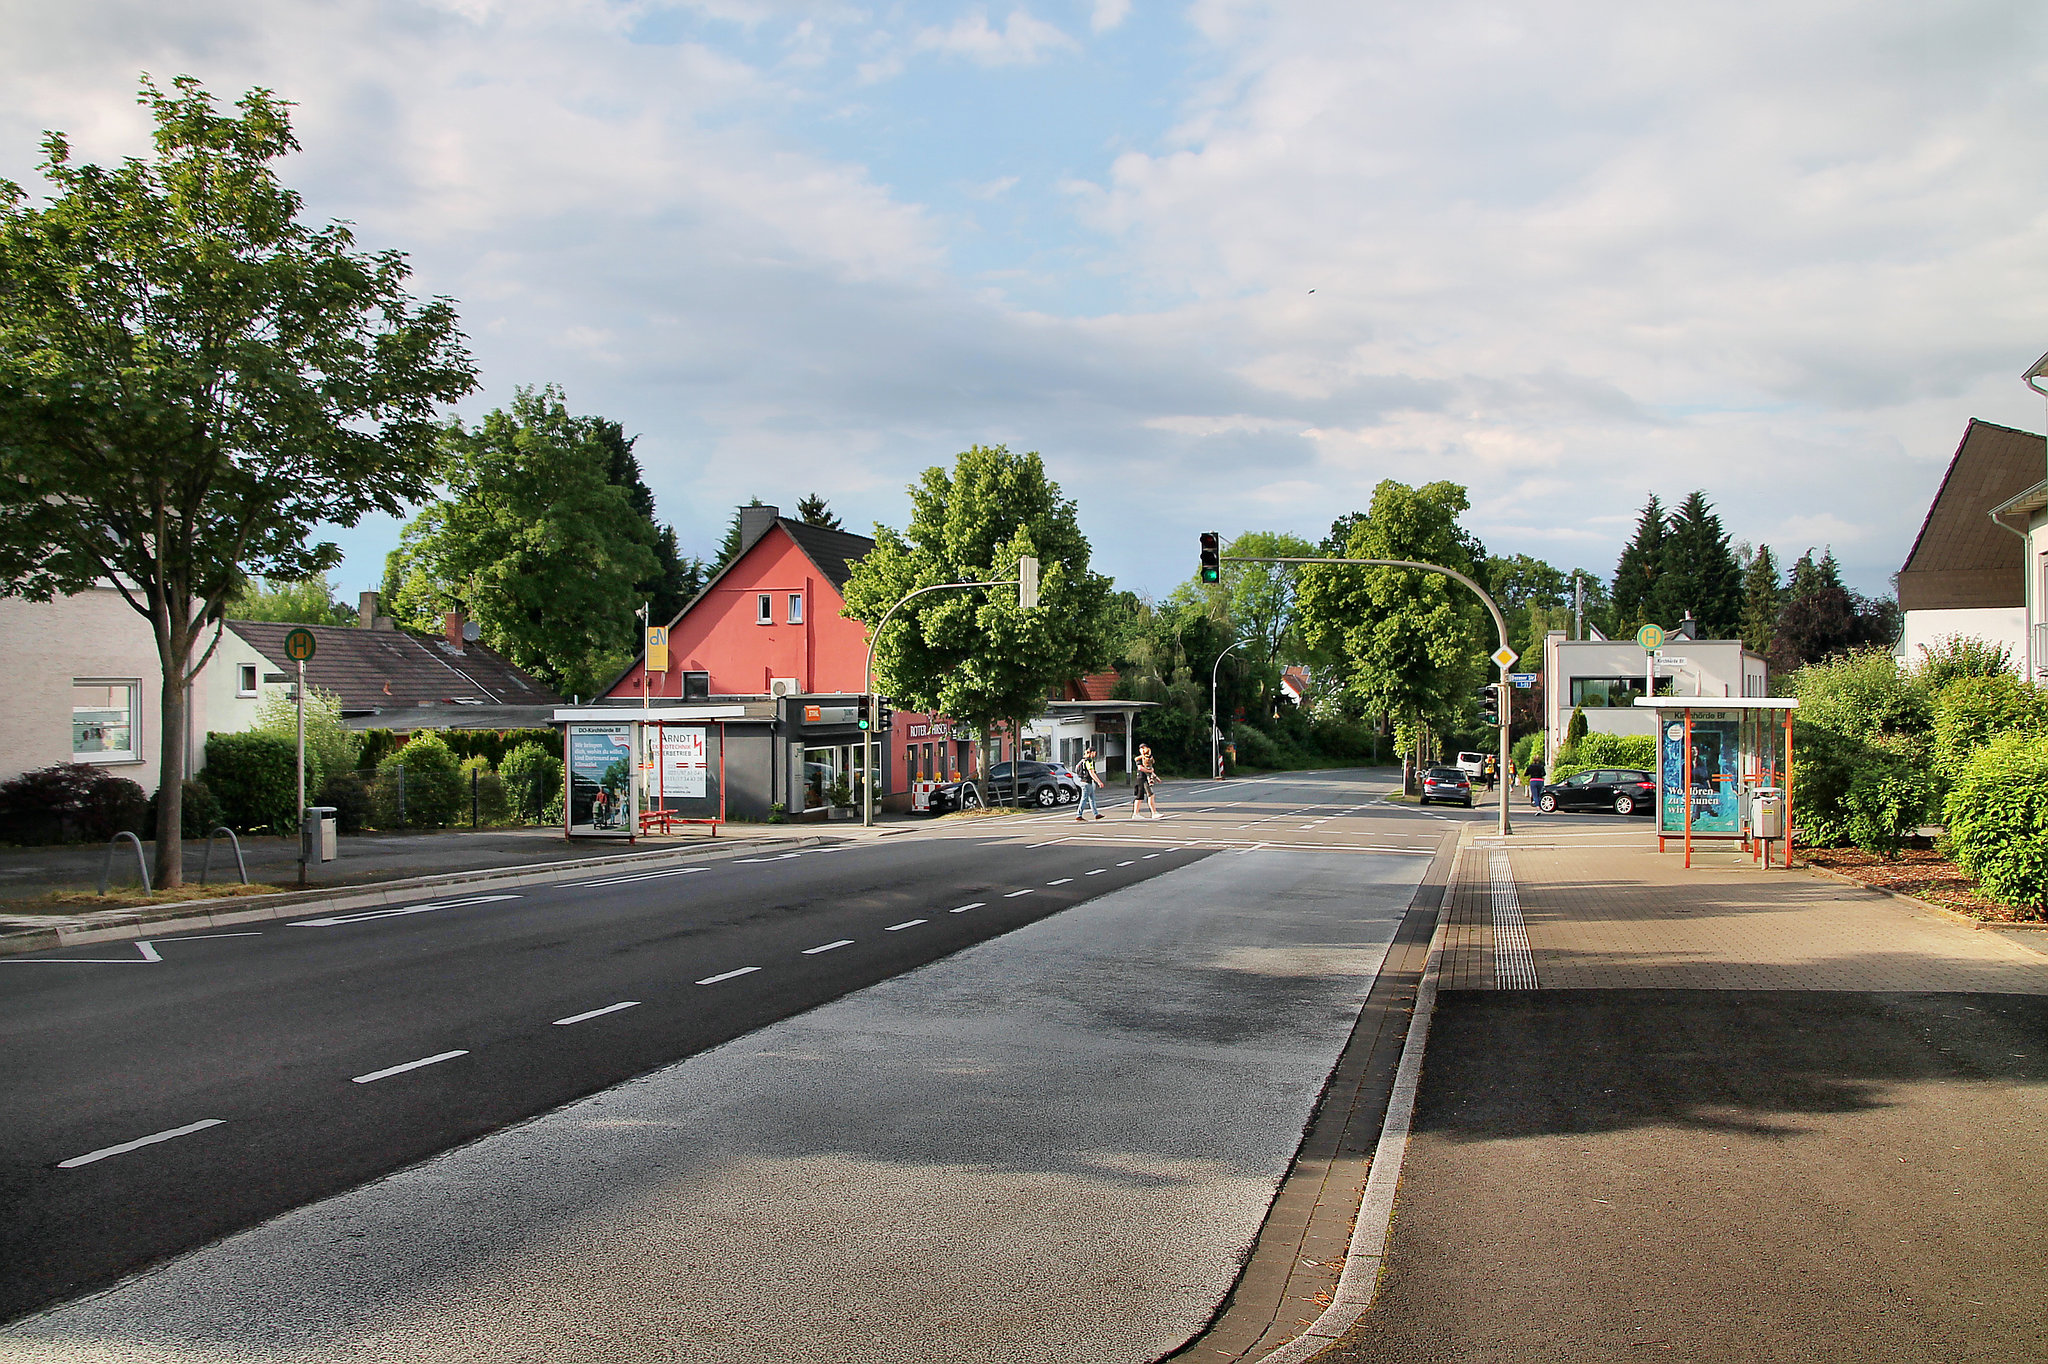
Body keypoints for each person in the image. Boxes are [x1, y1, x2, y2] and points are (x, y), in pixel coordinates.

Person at [1073, 747, 1106, 821]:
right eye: (1094, 752)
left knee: (1092, 799)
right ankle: (1079, 815)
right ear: (1091, 752)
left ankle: (1096, 814)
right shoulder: (1089, 761)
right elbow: (1091, 772)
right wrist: (1099, 782)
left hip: (1083, 781)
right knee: (1084, 799)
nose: (1095, 754)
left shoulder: (1083, 760)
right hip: (1086, 782)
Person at [1133, 744, 1161, 820]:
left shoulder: (1148, 758)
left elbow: (1150, 768)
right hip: (1141, 778)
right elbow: (1140, 768)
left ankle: (1136, 813)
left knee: (1141, 797)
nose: (1143, 750)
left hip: (1146, 778)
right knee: (1147, 795)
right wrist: (1150, 771)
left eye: (1144, 748)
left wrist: (1156, 777)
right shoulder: (1139, 759)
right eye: (1141, 749)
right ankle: (1153, 813)